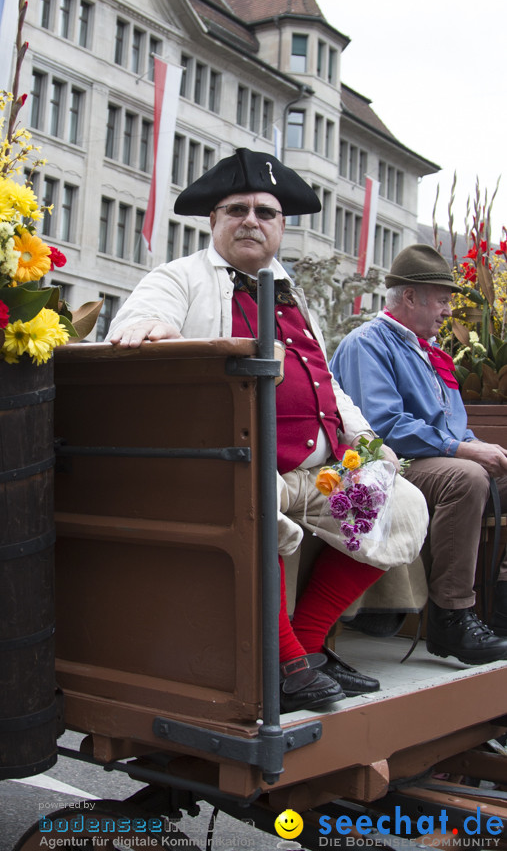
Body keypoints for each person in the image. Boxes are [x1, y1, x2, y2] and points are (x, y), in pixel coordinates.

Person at [108, 148, 428, 713]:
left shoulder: (290, 292)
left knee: (398, 502)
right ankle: (284, 663)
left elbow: (328, 383)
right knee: (253, 500)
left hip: (318, 474)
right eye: (236, 210)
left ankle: (304, 651)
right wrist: (149, 326)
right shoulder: (179, 278)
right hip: (237, 468)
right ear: (213, 221)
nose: (250, 220)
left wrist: (369, 445)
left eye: (265, 212)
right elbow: (138, 321)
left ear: (282, 227)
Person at [331, 243, 507, 665]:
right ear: (410, 297)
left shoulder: (426, 351)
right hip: (384, 464)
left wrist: (476, 446)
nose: (448, 311)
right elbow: (384, 426)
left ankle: (499, 603)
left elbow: (452, 427)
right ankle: (451, 616)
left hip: (427, 459)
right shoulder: (367, 344)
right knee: (465, 478)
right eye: (443, 300)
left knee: (484, 471)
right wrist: (465, 449)